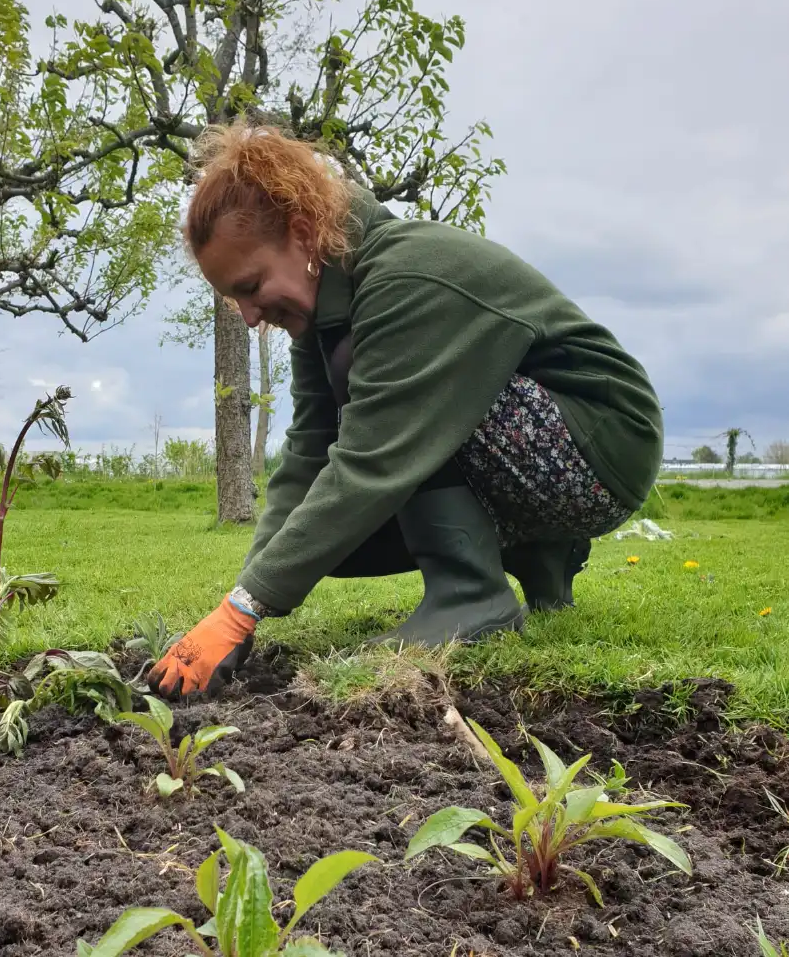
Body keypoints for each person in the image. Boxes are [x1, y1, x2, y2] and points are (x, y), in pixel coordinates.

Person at [148, 121, 663, 698]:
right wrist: (244, 603)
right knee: (320, 536)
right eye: (234, 298)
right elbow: (308, 456)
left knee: (379, 417)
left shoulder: (403, 277)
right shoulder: (329, 313)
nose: (247, 315)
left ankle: (471, 596)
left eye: (253, 285)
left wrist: (242, 609)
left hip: (602, 445)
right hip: (544, 452)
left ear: (303, 232)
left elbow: (373, 459)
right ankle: (541, 556)